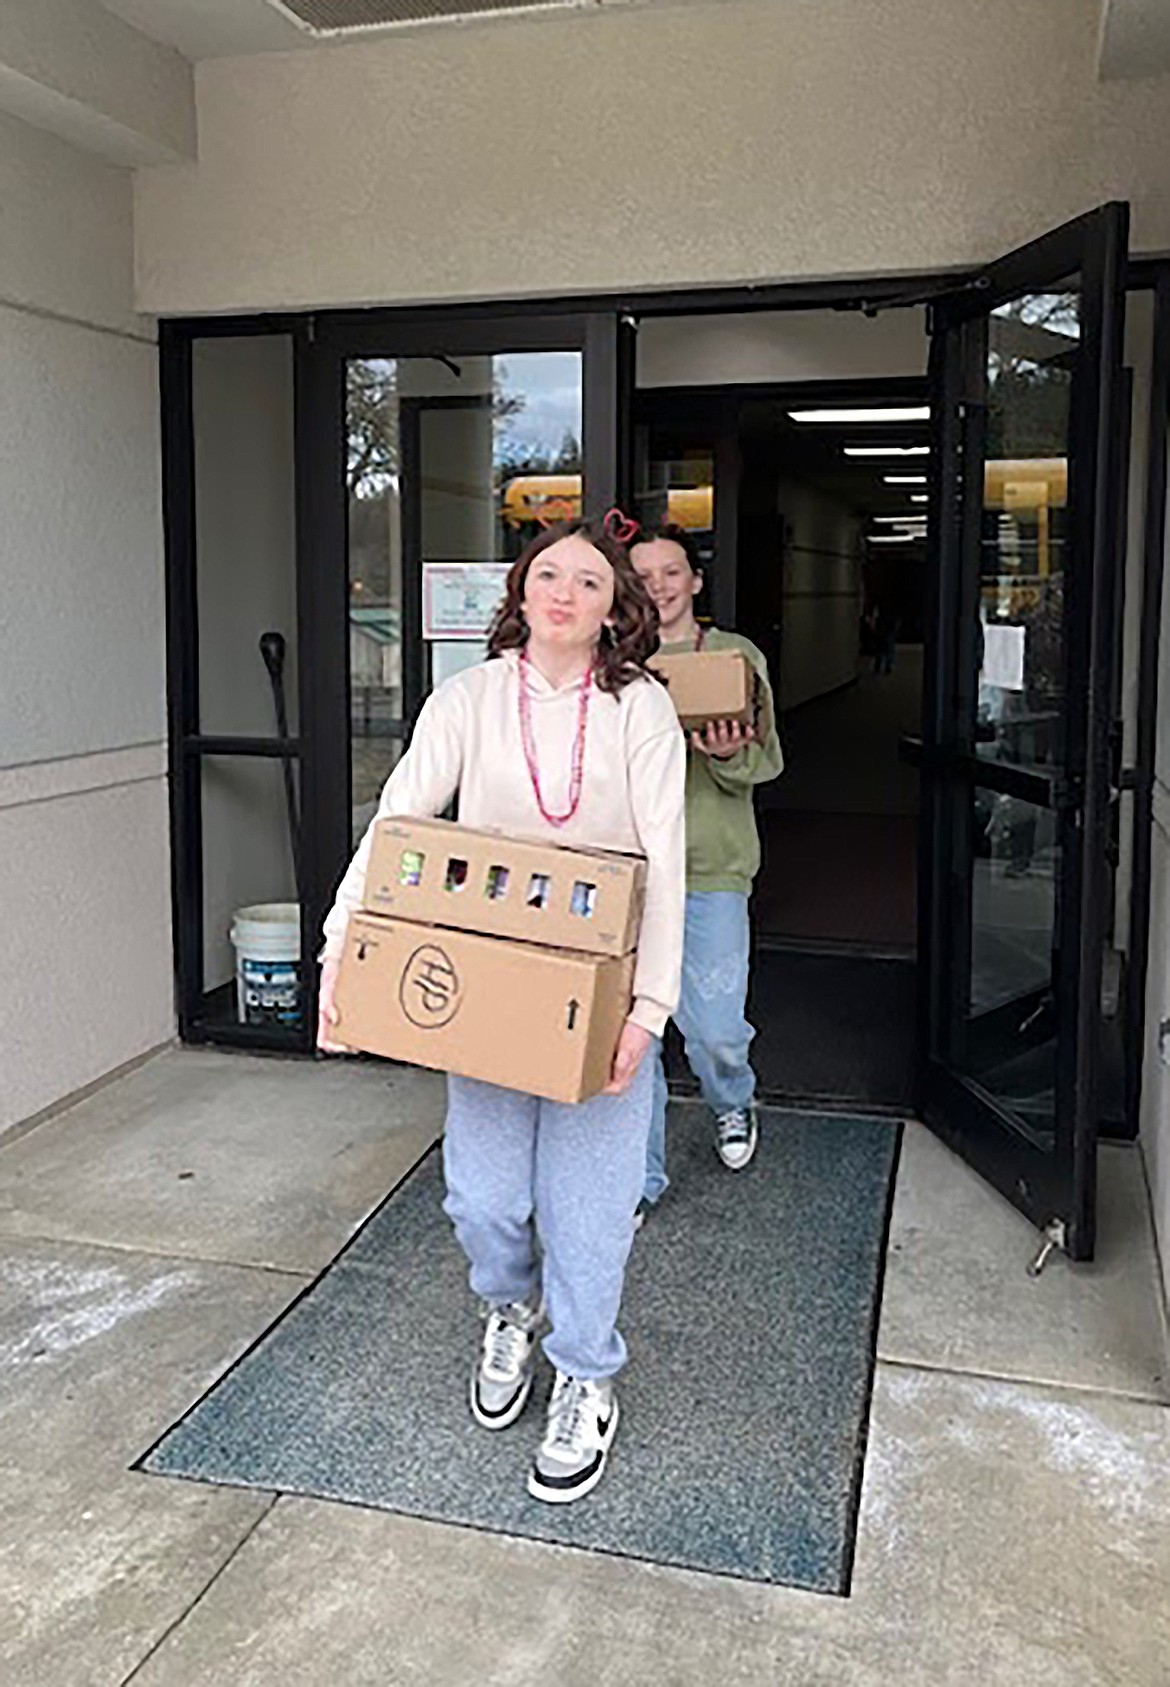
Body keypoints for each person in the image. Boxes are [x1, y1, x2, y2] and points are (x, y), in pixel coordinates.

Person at [317, 517, 686, 1505]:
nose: (567, 592)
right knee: (483, 1197)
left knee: (591, 1208)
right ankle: (509, 1308)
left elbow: (668, 864)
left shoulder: (640, 709)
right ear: (521, 590)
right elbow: (396, 825)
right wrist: (339, 952)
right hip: (486, 988)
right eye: (549, 574)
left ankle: (585, 1371)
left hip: (599, 990)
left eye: (592, 583)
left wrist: (649, 1007)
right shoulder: (468, 700)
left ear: (616, 612)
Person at [629, 524, 782, 1215]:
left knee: (715, 1026)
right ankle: (639, 1175)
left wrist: (724, 753)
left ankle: (732, 1100)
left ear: (695, 580)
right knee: (634, 1034)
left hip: (713, 867)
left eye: (671, 572)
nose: (659, 586)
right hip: (626, 875)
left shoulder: (733, 655)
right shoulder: (612, 662)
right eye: (644, 576)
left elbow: (768, 761)